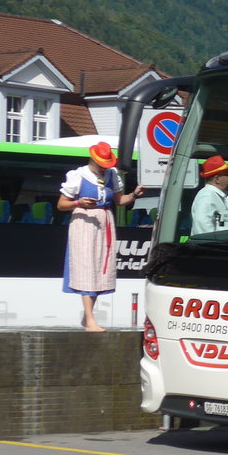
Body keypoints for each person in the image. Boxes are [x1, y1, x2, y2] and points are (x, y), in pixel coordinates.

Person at [57, 141, 144, 332]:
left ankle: (88, 318)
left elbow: (120, 201)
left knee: (99, 269)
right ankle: (89, 320)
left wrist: (134, 195)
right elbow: (61, 204)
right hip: (84, 222)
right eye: (102, 164)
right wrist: (78, 202)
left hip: (105, 222)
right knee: (87, 267)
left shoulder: (112, 175)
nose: (106, 167)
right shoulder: (78, 176)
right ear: (93, 160)